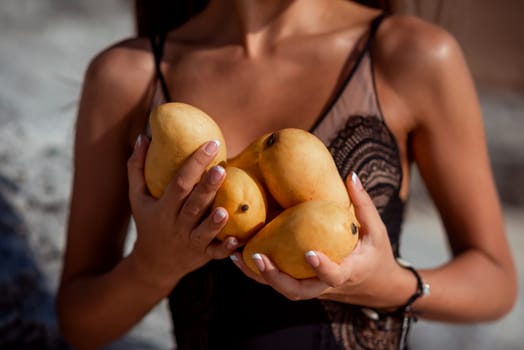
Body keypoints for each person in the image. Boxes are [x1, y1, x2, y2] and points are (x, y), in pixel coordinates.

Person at [56, 0, 517, 349]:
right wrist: (153, 266)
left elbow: (495, 281)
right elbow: (80, 326)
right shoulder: (127, 78)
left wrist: (387, 285)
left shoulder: (411, 55)